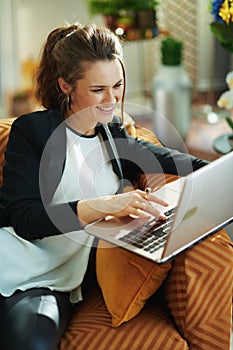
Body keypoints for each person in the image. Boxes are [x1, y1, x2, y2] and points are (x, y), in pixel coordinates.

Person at [0, 22, 232, 350]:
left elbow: (173, 160)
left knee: (33, 342)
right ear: (66, 84)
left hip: (55, 279)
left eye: (118, 85)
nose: (111, 100)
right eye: (98, 90)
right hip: (14, 258)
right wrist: (107, 204)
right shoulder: (33, 131)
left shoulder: (113, 133)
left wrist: (225, 173)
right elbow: (25, 218)